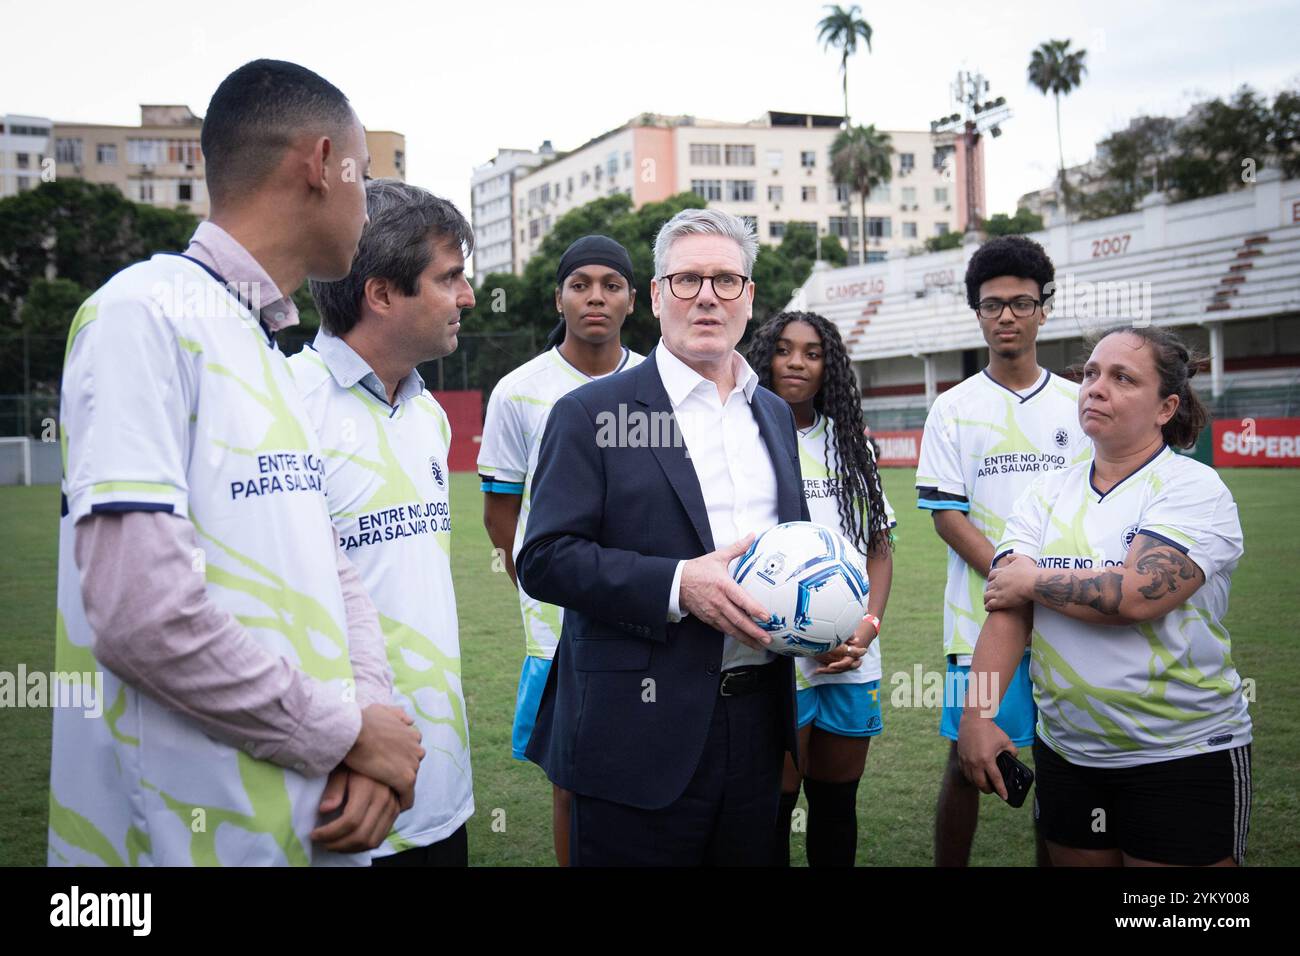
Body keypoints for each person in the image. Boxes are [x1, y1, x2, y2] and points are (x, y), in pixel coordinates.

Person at [48, 59, 422, 867]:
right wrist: (345, 732)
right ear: (320, 165)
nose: (370, 203)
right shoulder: (139, 315)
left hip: (305, 827)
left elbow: (334, 570)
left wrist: (370, 723)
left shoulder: (268, 349)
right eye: (364, 174)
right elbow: (142, 614)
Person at [517, 208, 828, 866]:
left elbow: (791, 551)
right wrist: (678, 584)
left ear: (750, 297)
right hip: (635, 734)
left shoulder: (772, 413)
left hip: (757, 727)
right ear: (656, 297)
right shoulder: (592, 413)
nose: (708, 295)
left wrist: (828, 623)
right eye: (687, 280)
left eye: (726, 280)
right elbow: (543, 560)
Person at [959, 325, 1252, 867]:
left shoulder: (1193, 488)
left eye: (1122, 378)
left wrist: (1030, 578)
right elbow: (1008, 609)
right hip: (1071, 753)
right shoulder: (1044, 494)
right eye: (1091, 373)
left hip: (1181, 754)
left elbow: (1136, 595)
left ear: (1166, 407)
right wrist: (976, 715)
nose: (1095, 387)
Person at [289, 179, 476, 866]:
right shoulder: (284, 409)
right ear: (381, 293)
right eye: (450, 278)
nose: (469, 298)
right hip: (345, 792)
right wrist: (343, 743)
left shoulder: (428, 415)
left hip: (442, 785)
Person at [916, 234, 1088, 867]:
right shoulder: (953, 408)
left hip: (1075, 619)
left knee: (1063, 769)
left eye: (1021, 303)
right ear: (977, 312)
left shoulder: (1081, 404)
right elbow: (945, 514)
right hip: (980, 618)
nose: (1007, 316)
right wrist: (1014, 577)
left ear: (1044, 308)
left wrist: (1050, 587)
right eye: (992, 305)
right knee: (968, 760)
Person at [477, 235, 644, 865]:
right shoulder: (518, 391)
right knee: (571, 777)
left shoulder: (666, 381)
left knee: (650, 766)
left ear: (634, 299)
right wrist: (541, 588)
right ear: (559, 297)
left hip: (652, 610)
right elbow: (500, 515)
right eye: (580, 284)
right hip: (557, 627)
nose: (595, 296)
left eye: (610, 284)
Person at [750, 311, 895, 867]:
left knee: (837, 801)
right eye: (785, 350)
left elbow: (879, 548)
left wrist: (866, 626)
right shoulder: (745, 436)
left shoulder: (850, 445)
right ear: (767, 357)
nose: (797, 363)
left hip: (853, 651)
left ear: (828, 366)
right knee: (777, 801)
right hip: (777, 651)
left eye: (812, 353)